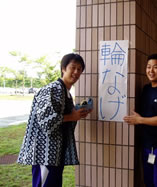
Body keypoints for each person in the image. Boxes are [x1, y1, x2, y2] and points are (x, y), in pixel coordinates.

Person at [17, 53, 91, 187]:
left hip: (54, 153)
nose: (76, 72)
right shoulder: (53, 88)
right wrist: (72, 116)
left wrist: (78, 113)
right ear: (63, 68)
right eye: (73, 67)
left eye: (79, 69)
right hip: (44, 152)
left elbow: (63, 119)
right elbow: (46, 120)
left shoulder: (65, 92)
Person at [123, 54, 157, 187]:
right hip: (147, 145)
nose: (151, 71)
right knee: (149, 182)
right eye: (148, 67)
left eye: (155, 67)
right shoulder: (146, 89)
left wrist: (140, 120)